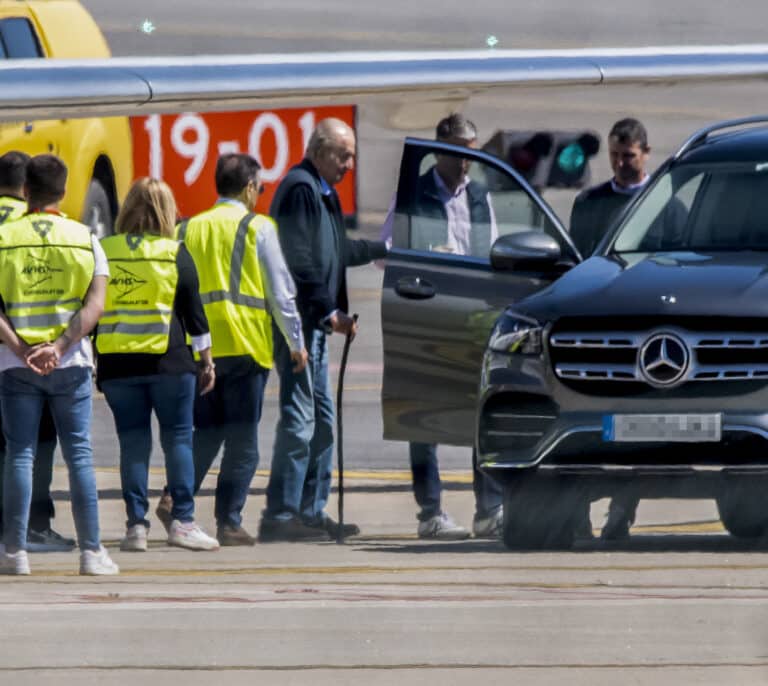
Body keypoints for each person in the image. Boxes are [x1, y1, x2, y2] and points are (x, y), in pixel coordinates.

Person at [156, 153, 307, 547]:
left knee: (204, 433)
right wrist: (296, 342)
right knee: (243, 442)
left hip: (198, 349)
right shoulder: (259, 227)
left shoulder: (188, 229)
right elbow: (281, 292)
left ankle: (175, 495)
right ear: (249, 188)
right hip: (245, 346)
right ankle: (229, 520)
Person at [259, 117, 387, 542]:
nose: (350, 163)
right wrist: (330, 312)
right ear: (318, 151)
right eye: (342, 154)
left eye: (352, 155)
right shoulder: (301, 188)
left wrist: (383, 249)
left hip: (315, 325)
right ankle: (281, 514)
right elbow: (298, 257)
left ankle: (310, 511)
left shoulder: (324, 191)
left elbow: (337, 249)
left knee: (323, 423)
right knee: (299, 421)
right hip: (299, 326)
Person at [381, 112, 504, 540]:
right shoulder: (414, 195)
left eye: (471, 154)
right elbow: (386, 251)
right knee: (425, 415)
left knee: (479, 415)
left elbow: (493, 251)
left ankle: (488, 507)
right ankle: (430, 510)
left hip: (471, 316)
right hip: (428, 314)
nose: (465, 164)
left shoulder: (479, 196)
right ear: (439, 150)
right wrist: (429, 255)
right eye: (458, 155)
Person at [0, 154, 118, 575]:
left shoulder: (4, 237)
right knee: (79, 456)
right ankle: (91, 553)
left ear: (25, 192)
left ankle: (14, 552)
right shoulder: (86, 238)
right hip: (70, 365)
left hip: (16, 366)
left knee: (20, 455)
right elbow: (95, 306)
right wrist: (62, 345)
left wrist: (20, 349)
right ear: (65, 192)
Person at [96, 178, 219, 553]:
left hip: (117, 364)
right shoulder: (174, 252)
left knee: (133, 443)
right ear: (168, 212)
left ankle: (136, 526)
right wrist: (208, 362)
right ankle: (182, 521)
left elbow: (93, 305)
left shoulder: (103, 249)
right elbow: (194, 315)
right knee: (178, 438)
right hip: (170, 364)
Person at [569, 118, 652, 540]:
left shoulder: (664, 202)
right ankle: (578, 517)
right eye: (615, 156)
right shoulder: (590, 203)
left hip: (645, 331)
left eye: (629, 157)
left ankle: (621, 513)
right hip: (597, 330)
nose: (620, 164)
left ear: (646, 154)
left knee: (636, 433)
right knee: (589, 429)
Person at [0, 151, 73, 553]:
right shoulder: (30, 223)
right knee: (32, 445)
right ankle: (34, 524)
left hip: (10, 345)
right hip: (27, 351)